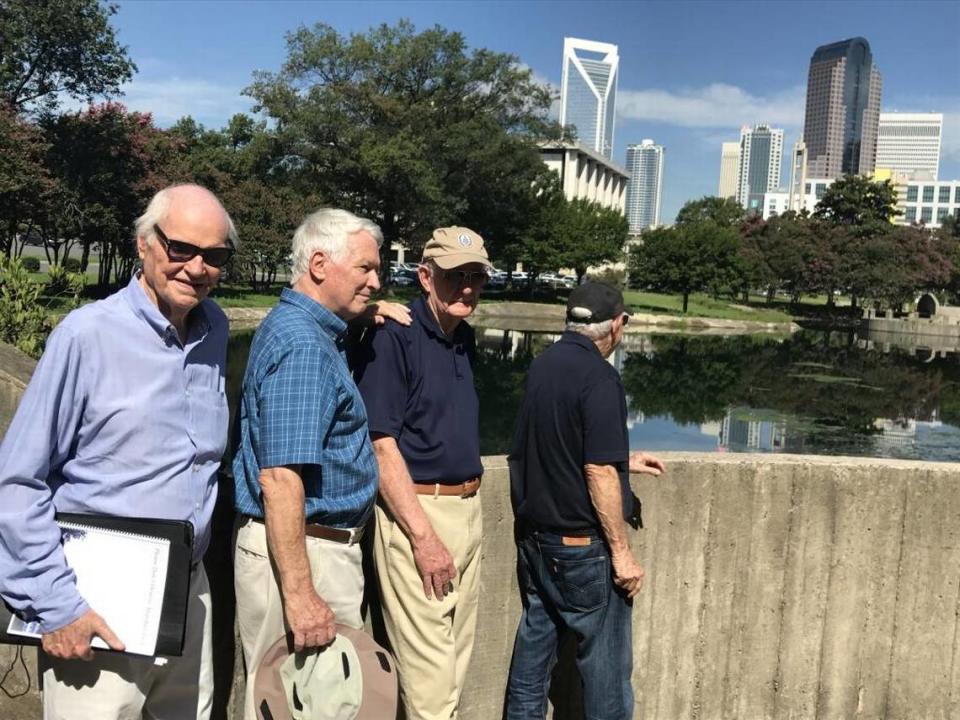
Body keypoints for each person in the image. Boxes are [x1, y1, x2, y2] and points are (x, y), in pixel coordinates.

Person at [0, 184, 237, 719]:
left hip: (188, 590)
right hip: (97, 605)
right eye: (182, 249)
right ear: (144, 245)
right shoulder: (86, 336)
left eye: (214, 256)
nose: (197, 268)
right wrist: (57, 606)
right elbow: (17, 482)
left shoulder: (215, 328)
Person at [232, 208, 398, 720]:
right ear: (320, 264)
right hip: (306, 552)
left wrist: (364, 314)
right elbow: (281, 478)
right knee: (304, 705)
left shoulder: (307, 329)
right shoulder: (305, 346)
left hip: (310, 546)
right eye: (366, 269)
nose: (377, 281)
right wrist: (301, 595)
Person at [505, 281, 665, 720]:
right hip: (581, 551)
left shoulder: (543, 365)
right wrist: (622, 554)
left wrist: (621, 460)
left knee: (533, 661)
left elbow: (557, 443)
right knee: (608, 674)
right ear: (618, 324)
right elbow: (596, 470)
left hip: (536, 542)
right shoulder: (600, 377)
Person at [352, 226, 491, 719]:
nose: (468, 288)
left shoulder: (463, 337)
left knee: (453, 669)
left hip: (468, 511)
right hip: (419, 514)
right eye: (456, 277)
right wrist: (423, 536)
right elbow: (380, 444)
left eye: (476, 277)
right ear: (426, 276)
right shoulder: (396, 335)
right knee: (432, 690)